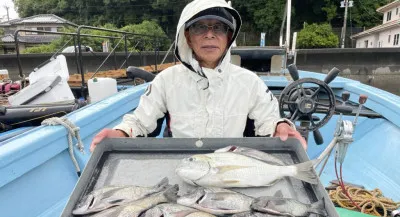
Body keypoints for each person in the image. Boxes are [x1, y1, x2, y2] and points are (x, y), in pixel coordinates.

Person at [90, 0, 306, 152]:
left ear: (228, 37)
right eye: (200, 27)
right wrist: (120, 133)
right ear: (187, 37)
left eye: (219, 28)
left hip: (232, 166)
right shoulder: (167, 80)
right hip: (182, 163)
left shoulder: (249, 82)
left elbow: (269, 121)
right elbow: (141, 122)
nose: (209, 34)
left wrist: (281, 127)